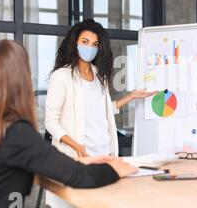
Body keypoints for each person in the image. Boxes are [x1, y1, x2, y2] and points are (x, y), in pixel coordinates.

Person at [0, 40, 137, 208]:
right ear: (20, 80)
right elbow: (80, 177)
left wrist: (82, 162)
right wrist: (117, 169)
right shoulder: (13, 132)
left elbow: (38, 163)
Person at [45, 19, 155, 158]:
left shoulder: (98, 75)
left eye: (94, 44)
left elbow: (103, 111)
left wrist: (131, 96)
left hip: (105, 153)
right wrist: (76, 146)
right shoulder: (61, 76)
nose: (90, 48)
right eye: (85, 42)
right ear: (74, 43)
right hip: (79, 156)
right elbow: (50, 122)